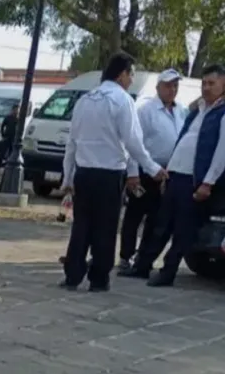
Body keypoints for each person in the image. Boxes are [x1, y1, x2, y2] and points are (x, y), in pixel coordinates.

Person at [60, 52, 167, 292]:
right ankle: (99, 278)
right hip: (108, 175)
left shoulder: (85, 100)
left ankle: (73, 274)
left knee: (81, 227)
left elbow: (72, 144)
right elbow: (133, 142)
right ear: (121, 75)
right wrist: (153, 168)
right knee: (105, 228)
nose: (132, 80)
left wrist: (67, 177)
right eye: (131, 74)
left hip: (84, 173)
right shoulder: (122, 100)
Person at [120, 64, 225, 286]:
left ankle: (168, 272)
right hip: (175, 175)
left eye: (212, 83)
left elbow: (221, 152)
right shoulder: (197, 110)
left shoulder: (222, 113)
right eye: (204, 83)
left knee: (182, 229)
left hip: (195, 180)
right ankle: (142, 266)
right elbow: (183, 140)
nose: (206, 88)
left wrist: (207, 183)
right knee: (161, 224)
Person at [117, 69, 187, 270]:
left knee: (156, 217)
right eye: (168, 85)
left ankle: (143, 256)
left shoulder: (180, 111)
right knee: (135, 214)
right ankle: (126, 255)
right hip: (145, 171)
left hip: (166, 173)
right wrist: (133, 173)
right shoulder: (145, 110)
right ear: (158, 87)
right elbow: (134, 143)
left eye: (175, 86)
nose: (172, 90)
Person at [0, 104, 19, 171]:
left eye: (17, 110)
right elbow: (2, 126)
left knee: (11, 153)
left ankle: (7, 168)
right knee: (2, 153)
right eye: (15, 110)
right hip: (7, 136)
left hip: (14, 138)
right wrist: (3, 134)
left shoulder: (18, 119)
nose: (16, 111)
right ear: (12, 110)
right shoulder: (8, 117)